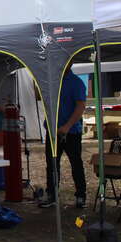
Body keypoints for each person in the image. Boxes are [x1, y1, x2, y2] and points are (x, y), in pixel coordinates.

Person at [39, 69, 87, 209]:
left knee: (76, 163)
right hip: (53, 131)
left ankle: (80, 196)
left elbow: (80, 106)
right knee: (52, 164)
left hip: (71, 132)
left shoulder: (76, 82)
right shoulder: (50, 81)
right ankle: (52, 195)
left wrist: (67, 126)